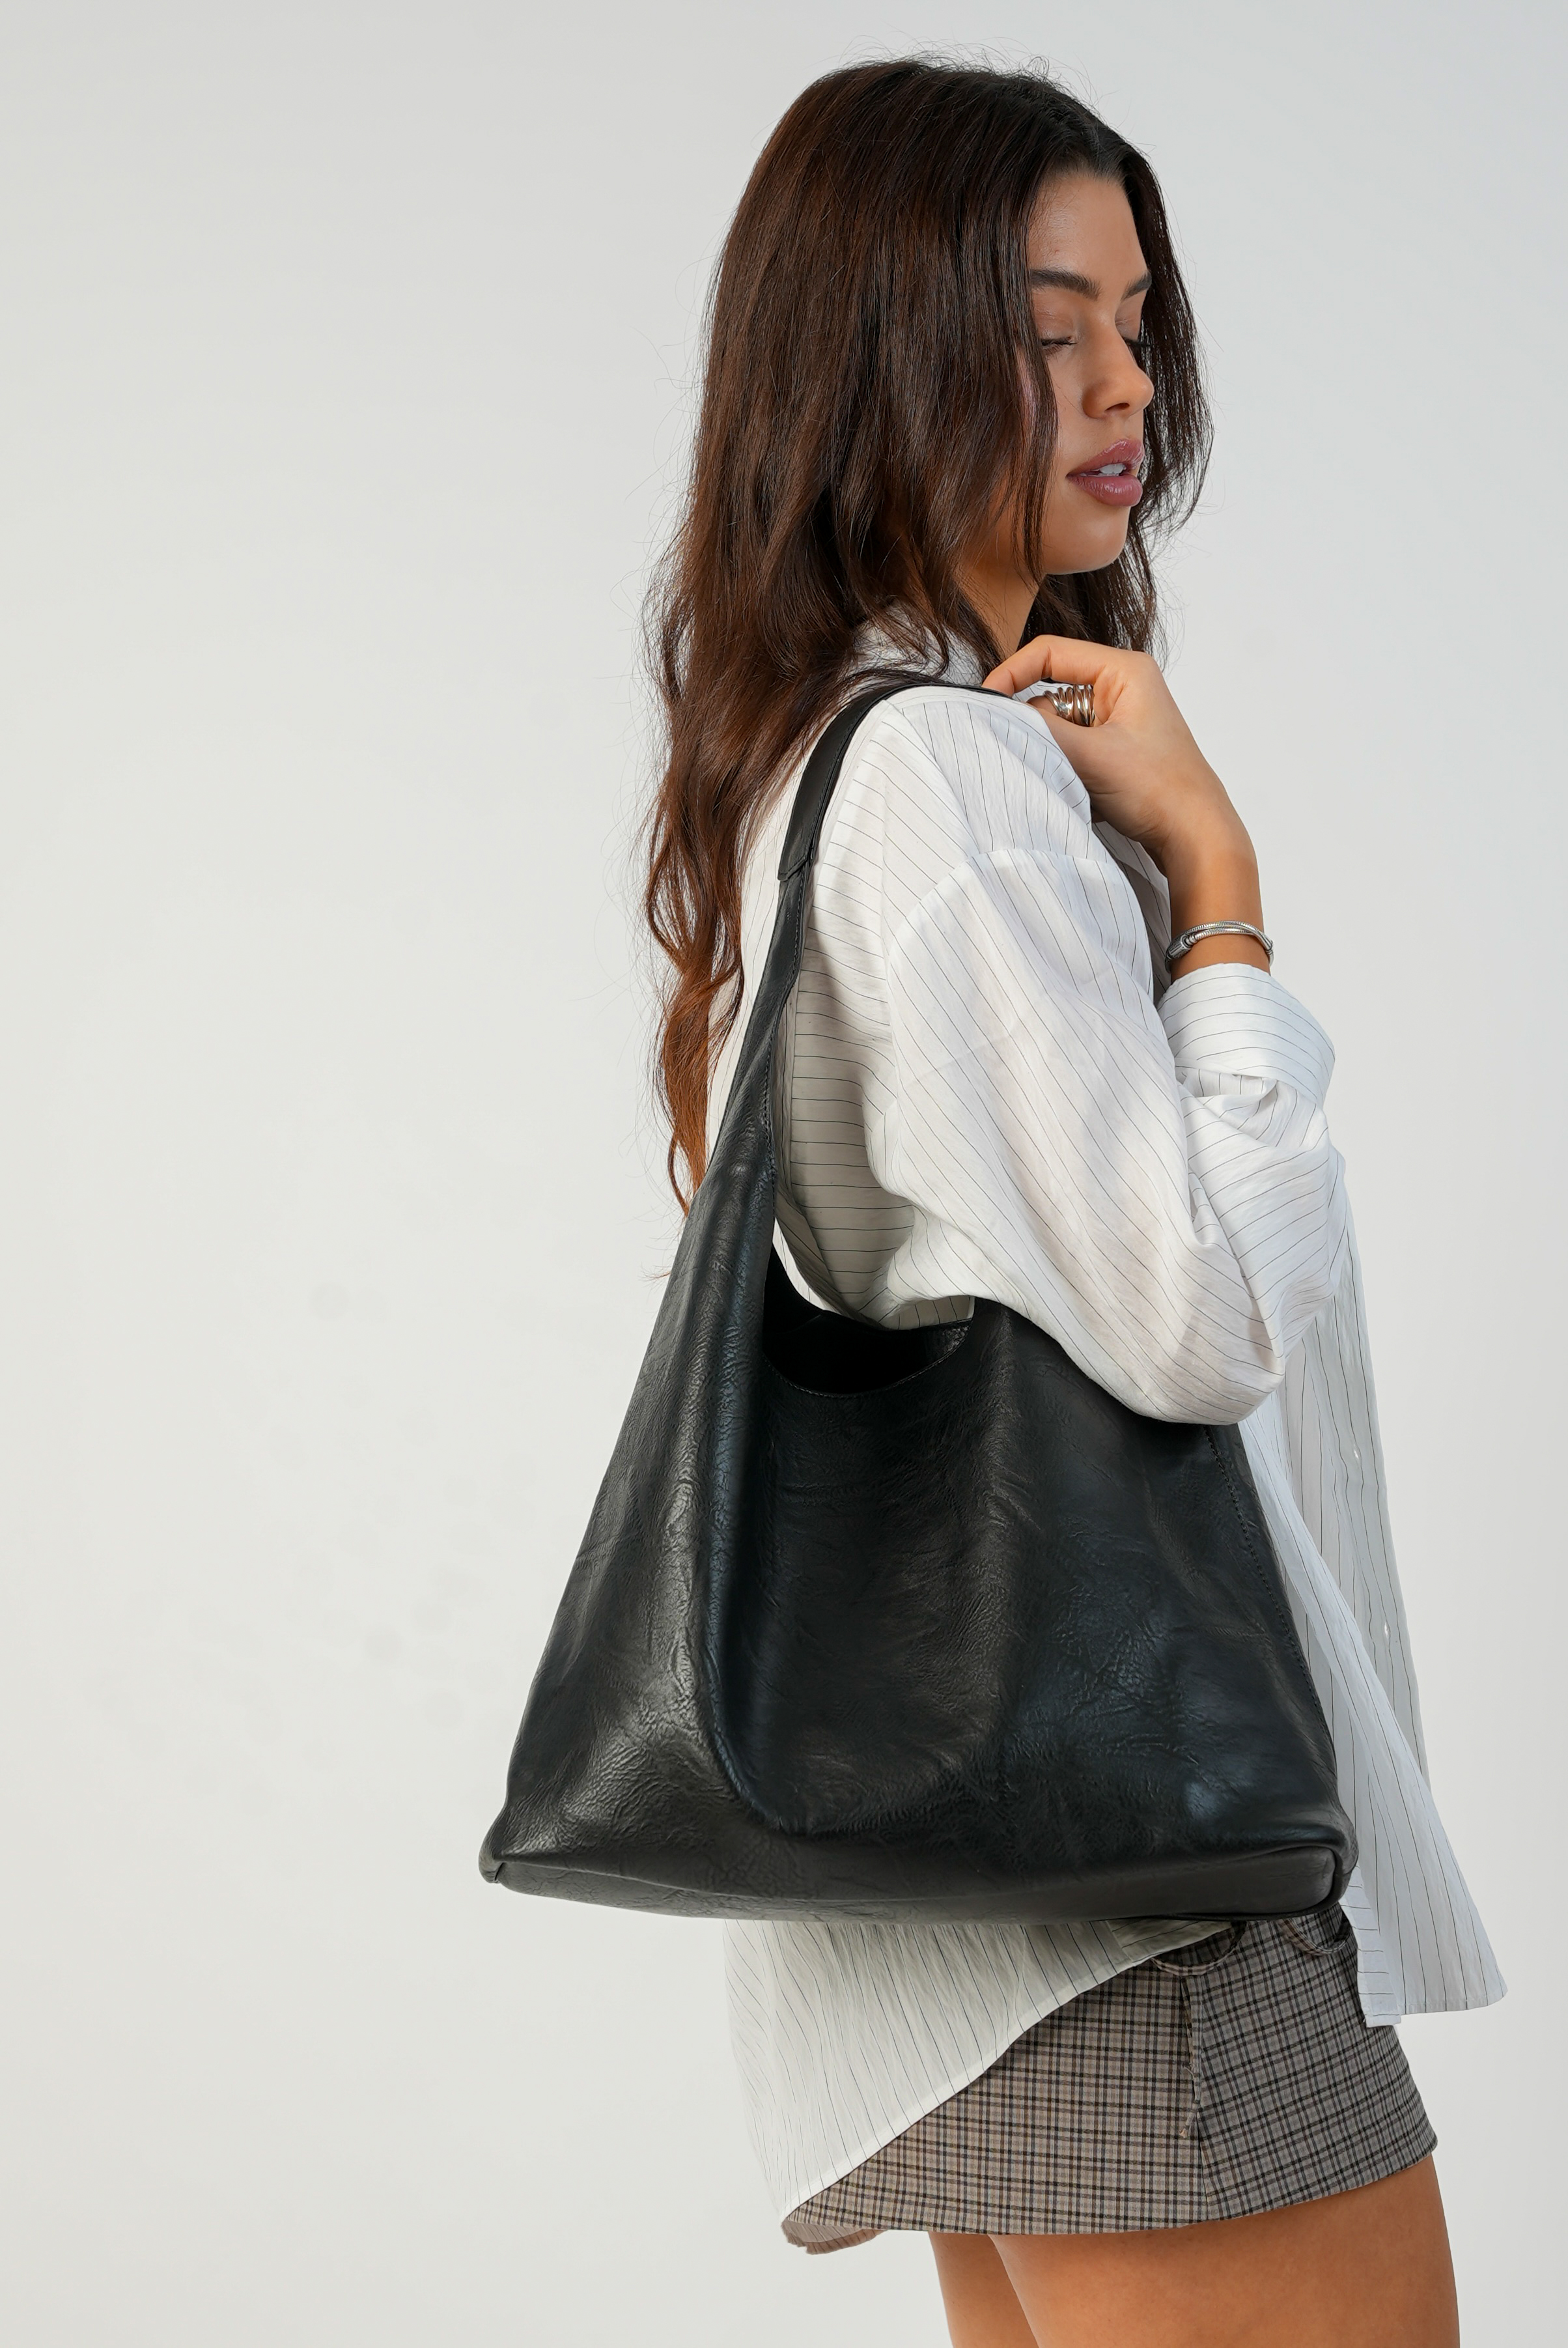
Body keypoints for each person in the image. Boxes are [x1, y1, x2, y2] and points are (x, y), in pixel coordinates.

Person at [641, 58, 1501, 2348]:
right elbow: (1205, 1318)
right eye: (1047, 328)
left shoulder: (810, 762)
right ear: (880, 352)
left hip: (964, 1905)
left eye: (1136, 318)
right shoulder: (951, 781)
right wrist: (1216, 884)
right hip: (1133, 1896)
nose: (1126, 383)